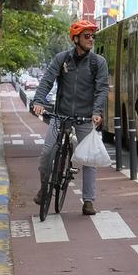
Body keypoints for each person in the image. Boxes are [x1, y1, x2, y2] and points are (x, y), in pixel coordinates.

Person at [31, 20, 109, 215]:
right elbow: (47, 80)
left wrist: (97, 112)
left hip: (84, 119)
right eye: (86, 36)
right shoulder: (62, 59)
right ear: (76, 39)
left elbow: (101, 90)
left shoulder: (98, 62)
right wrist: (38, 101)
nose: (91, 39)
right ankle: (44, 188)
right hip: (61, 116)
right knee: (46, 155)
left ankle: (88, 201)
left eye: (92, 35)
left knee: (89, 159)